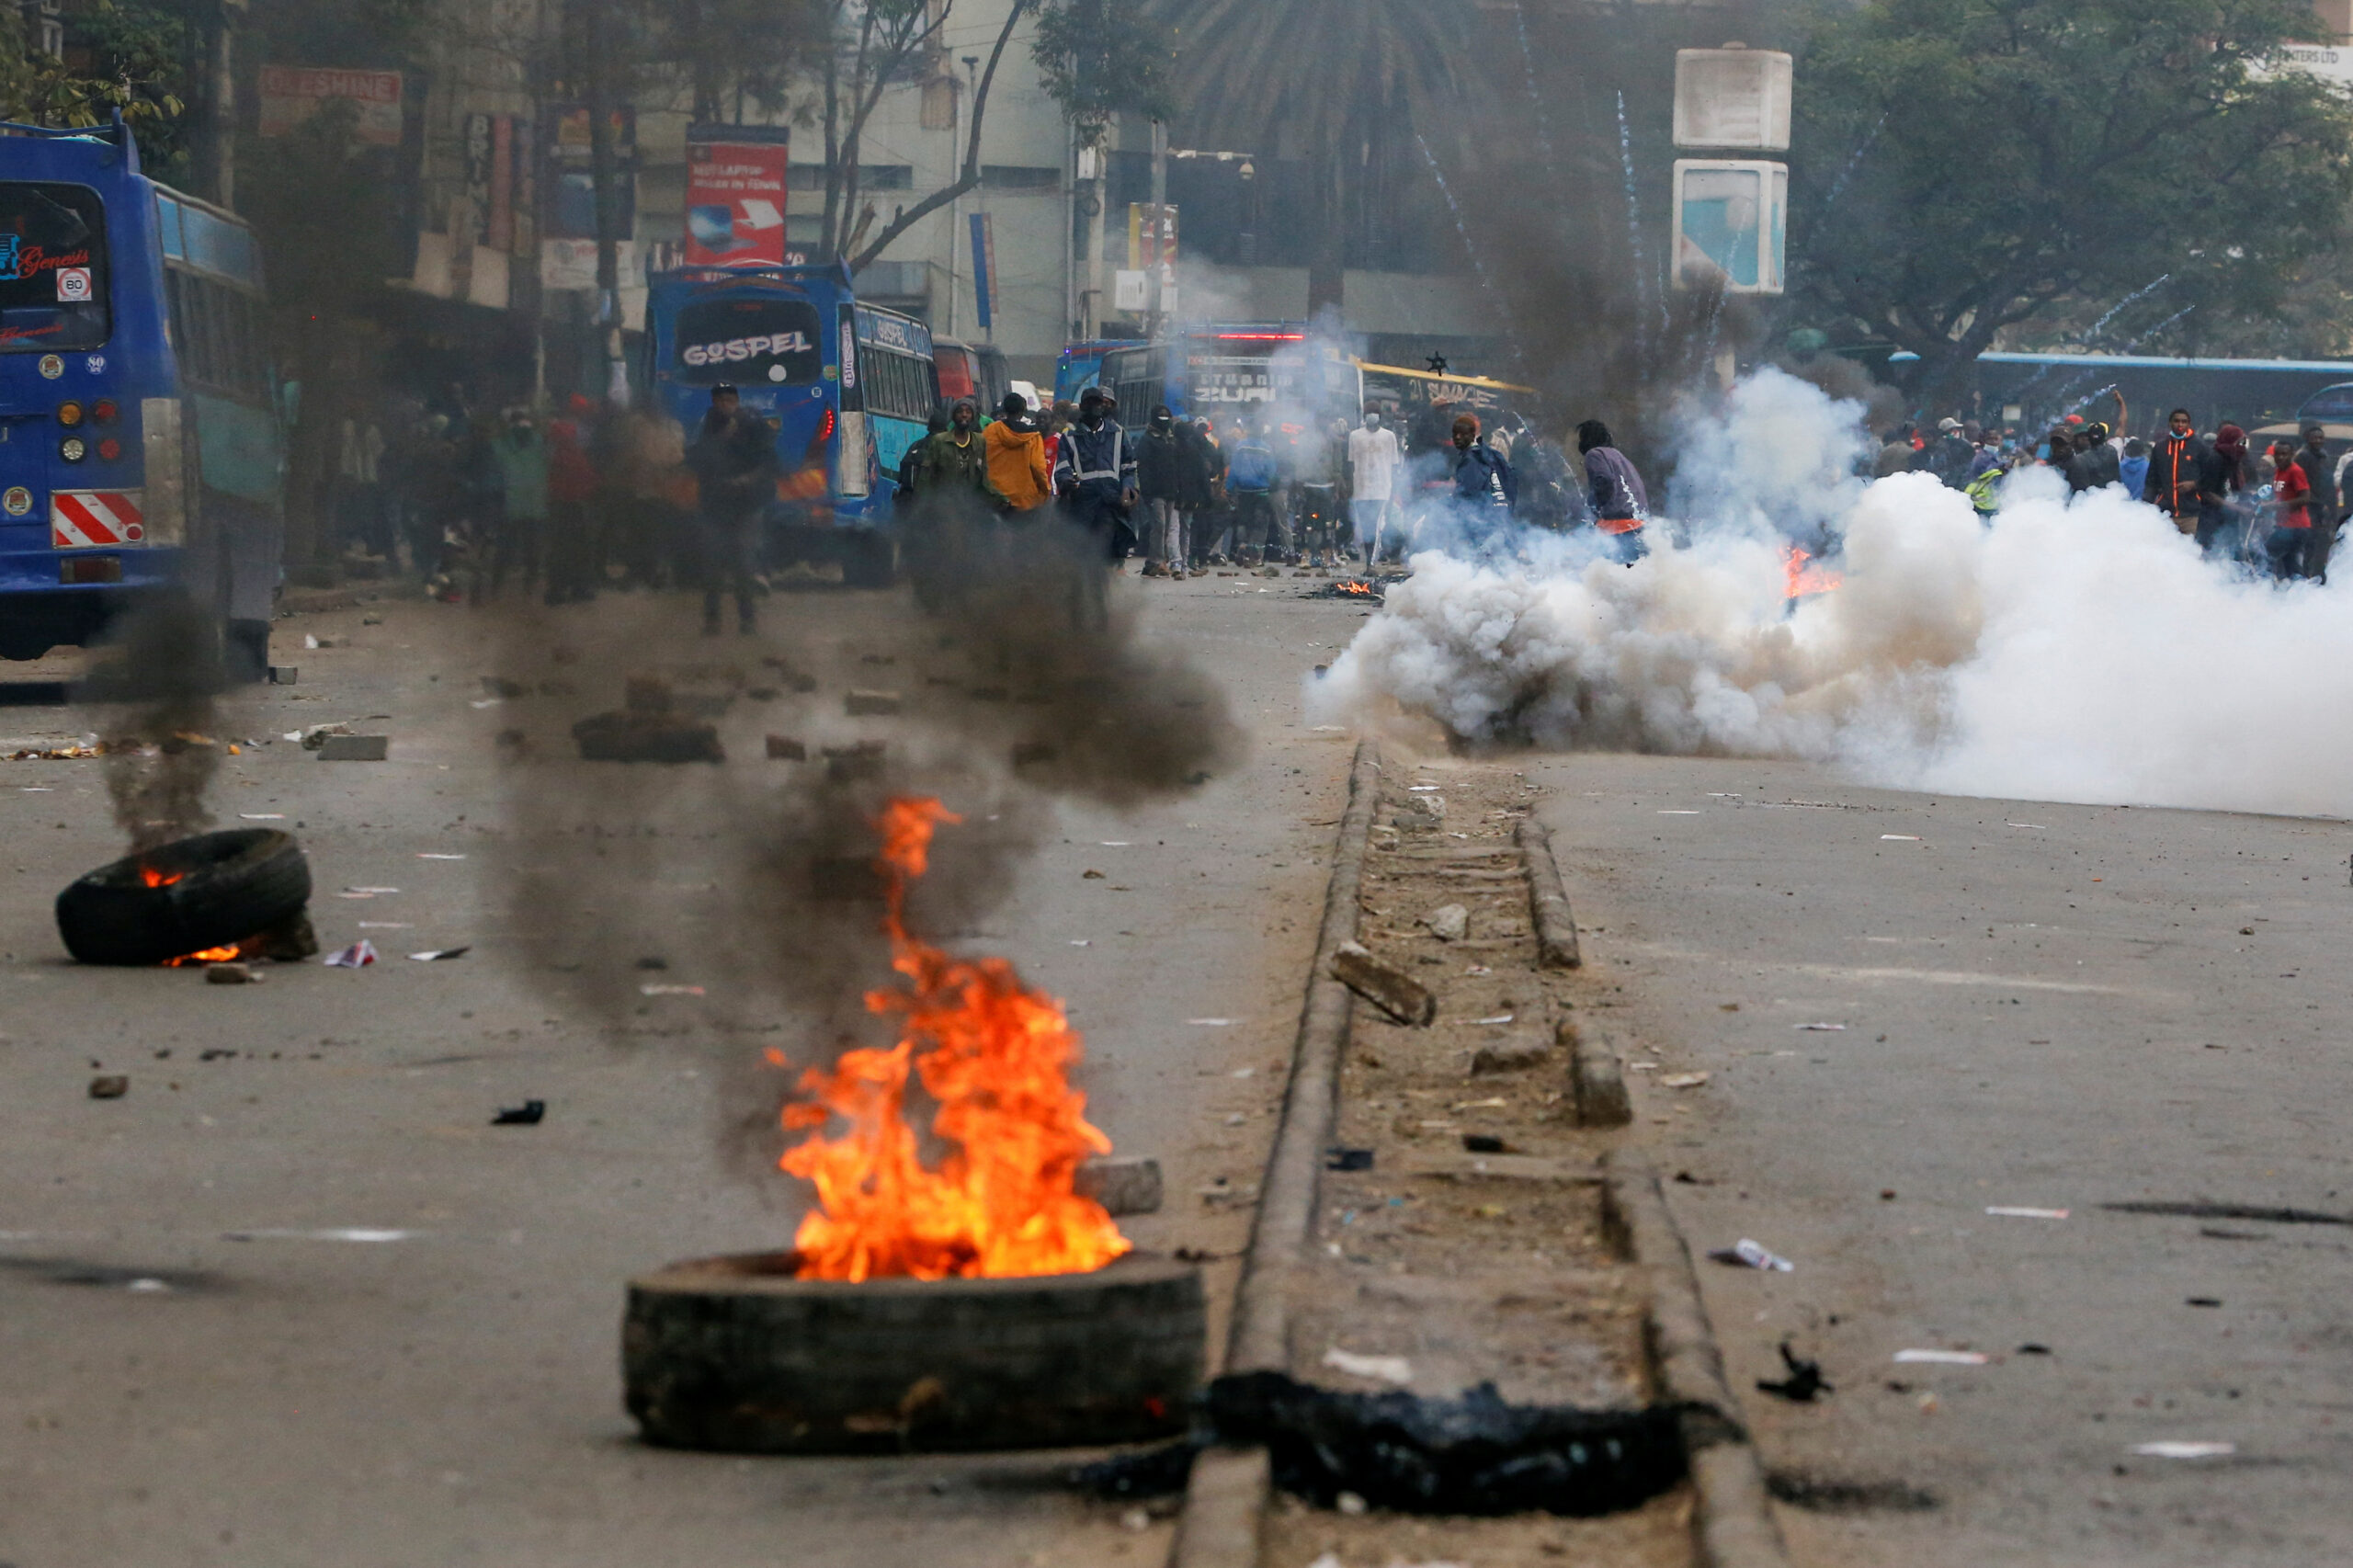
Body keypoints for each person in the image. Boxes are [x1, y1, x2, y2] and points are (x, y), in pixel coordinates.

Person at [685, 382, 778, 635]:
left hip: (745, 506)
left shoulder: (751, 424)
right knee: (713, 566)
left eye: (730, 400)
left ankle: (748, 621)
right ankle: (712, 621)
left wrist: (749, 479)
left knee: (742, 565)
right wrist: (719, 440)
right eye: (721, 401)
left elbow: (770, 460)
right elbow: (692, 459)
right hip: (714, 505)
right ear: (715, 403)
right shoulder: (707, 425)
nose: (726, 405)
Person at [1051, 387, 1138, 569]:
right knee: (1081, 552)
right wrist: (1067, 481)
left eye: (1097, 403)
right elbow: (1062, 468)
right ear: (1082, 406)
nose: (1094, 407)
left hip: (1110, 502)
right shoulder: (1069, 437)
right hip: (1082, 504)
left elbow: (1128, 467)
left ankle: (1099, 589)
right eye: (1089, 403)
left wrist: (1127, 489)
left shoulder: (1118, 433)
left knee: (1104, 547)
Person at [541, 395, 602, 605]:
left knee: (559, 547)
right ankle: (580, 588)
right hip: (578, 502)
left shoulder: (553, 443)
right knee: (581, 547)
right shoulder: (581, 443)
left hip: (558, 501)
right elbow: (590, 475)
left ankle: (557, 590)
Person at [484, 407, 551, 601]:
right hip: (536, 505)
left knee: (505, 550)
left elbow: (492, 477)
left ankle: (496, 588)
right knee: (533, 550)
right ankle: (529, 588)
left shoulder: (498, 445)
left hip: (510, 505)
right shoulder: (540, 442)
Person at [1135, 403, 1199, 578]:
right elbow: (1143, 467)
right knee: (1159, 525)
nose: (1164, 419)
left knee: (1164, 528)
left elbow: (1177, 467)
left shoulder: (1171, 440)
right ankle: (1158, 561)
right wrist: (1146, 489)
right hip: (1155, 491)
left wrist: (1179, 489)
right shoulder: (1147, 440)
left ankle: (1153, 563)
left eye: (1167, 416)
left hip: (1171, 491)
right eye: (1161, 416)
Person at [1576, 418, 1647, 563]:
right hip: (1638, 525)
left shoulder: (1594, 454)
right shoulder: (1617, 455)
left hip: (1619, 527)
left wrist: (1595, 506)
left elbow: (1604, 481)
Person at [2143, 409, 2213, 538]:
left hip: (2192, 515)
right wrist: (2146, 506)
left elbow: (2213, 477)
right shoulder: (2160, 447)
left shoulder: (2200, 447)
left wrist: (2194, 484)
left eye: (2184, 422)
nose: (2180, 424)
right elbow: (2151, 480)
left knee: (2191, 553)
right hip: (2165, 514)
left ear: (2189, 424)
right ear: (2170, 423)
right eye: (2176, 421)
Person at [1347, 408, 1402, 570]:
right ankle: (1368, 561)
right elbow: (1351, 462)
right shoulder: (1355, 436)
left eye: (1375, 412)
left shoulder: (1389, 436)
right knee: (1365, 527)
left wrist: (1394, 488)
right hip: (1361, 487)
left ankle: (1371, 564)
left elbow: (1394, 464)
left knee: (1377, 526)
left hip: (1382, 488)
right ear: (1365, 417)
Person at [1225, 417, 1282, 565]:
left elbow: (1234, 469)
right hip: (1262, 492)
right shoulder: (1266, 448)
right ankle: (1255, 556)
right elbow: (1271, 472)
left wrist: (1229, 488)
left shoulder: (1240, 446)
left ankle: (1242, 546)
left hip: (1243, 491)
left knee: (1244, 521)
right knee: (1260, 525)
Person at [984, 392, 1052, 514]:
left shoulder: (990, 431)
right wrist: (1045, 492)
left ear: (1004, 409)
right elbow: (1038, 467)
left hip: (995, 497)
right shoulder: (1033, 437)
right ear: (1023, 411)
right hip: (1024, 500)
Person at [2294, 424, 2338, 581]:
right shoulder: (2304, 456)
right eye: (2315, 438)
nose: (2319, 441)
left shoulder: (2320, 456)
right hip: (2308, 505)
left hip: (2318, 504)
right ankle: (2306, 575)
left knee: (2316, 541)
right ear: (2308, 439)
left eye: (2321, 438)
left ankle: (2313, 573)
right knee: (2309, 541)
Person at [2266, 440, 2314, 580]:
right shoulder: (2278, 472)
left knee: (2268, 552)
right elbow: (2281, 497)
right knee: (2290, 563)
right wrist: (2268, 504)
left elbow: (2305, 498)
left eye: (2284, 454)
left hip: (2296, 526)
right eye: (2277, 454)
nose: (2280, 457)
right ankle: (2297, 593)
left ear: (2292, 455)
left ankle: (2264, 585)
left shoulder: (2296, 471)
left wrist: (2276, 506)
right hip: (2283, 524)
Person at [2207, 423, 2254, 559]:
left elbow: (2235, 488)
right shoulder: (2215, 459)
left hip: (2230, 517)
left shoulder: (2234, 459)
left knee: (2232, 552)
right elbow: (2208, 493)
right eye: (2238, 442)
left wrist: (2248, 495)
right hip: (2212, 518)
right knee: (2213, 553)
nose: (2241, 446)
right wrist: (2237, 508)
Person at [2118, 437, 2150, 502]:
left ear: (2127, 451)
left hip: (2121, 506)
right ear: (2142, 451)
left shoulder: (2119, 467)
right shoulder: (2148, 468)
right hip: (2143, 507)